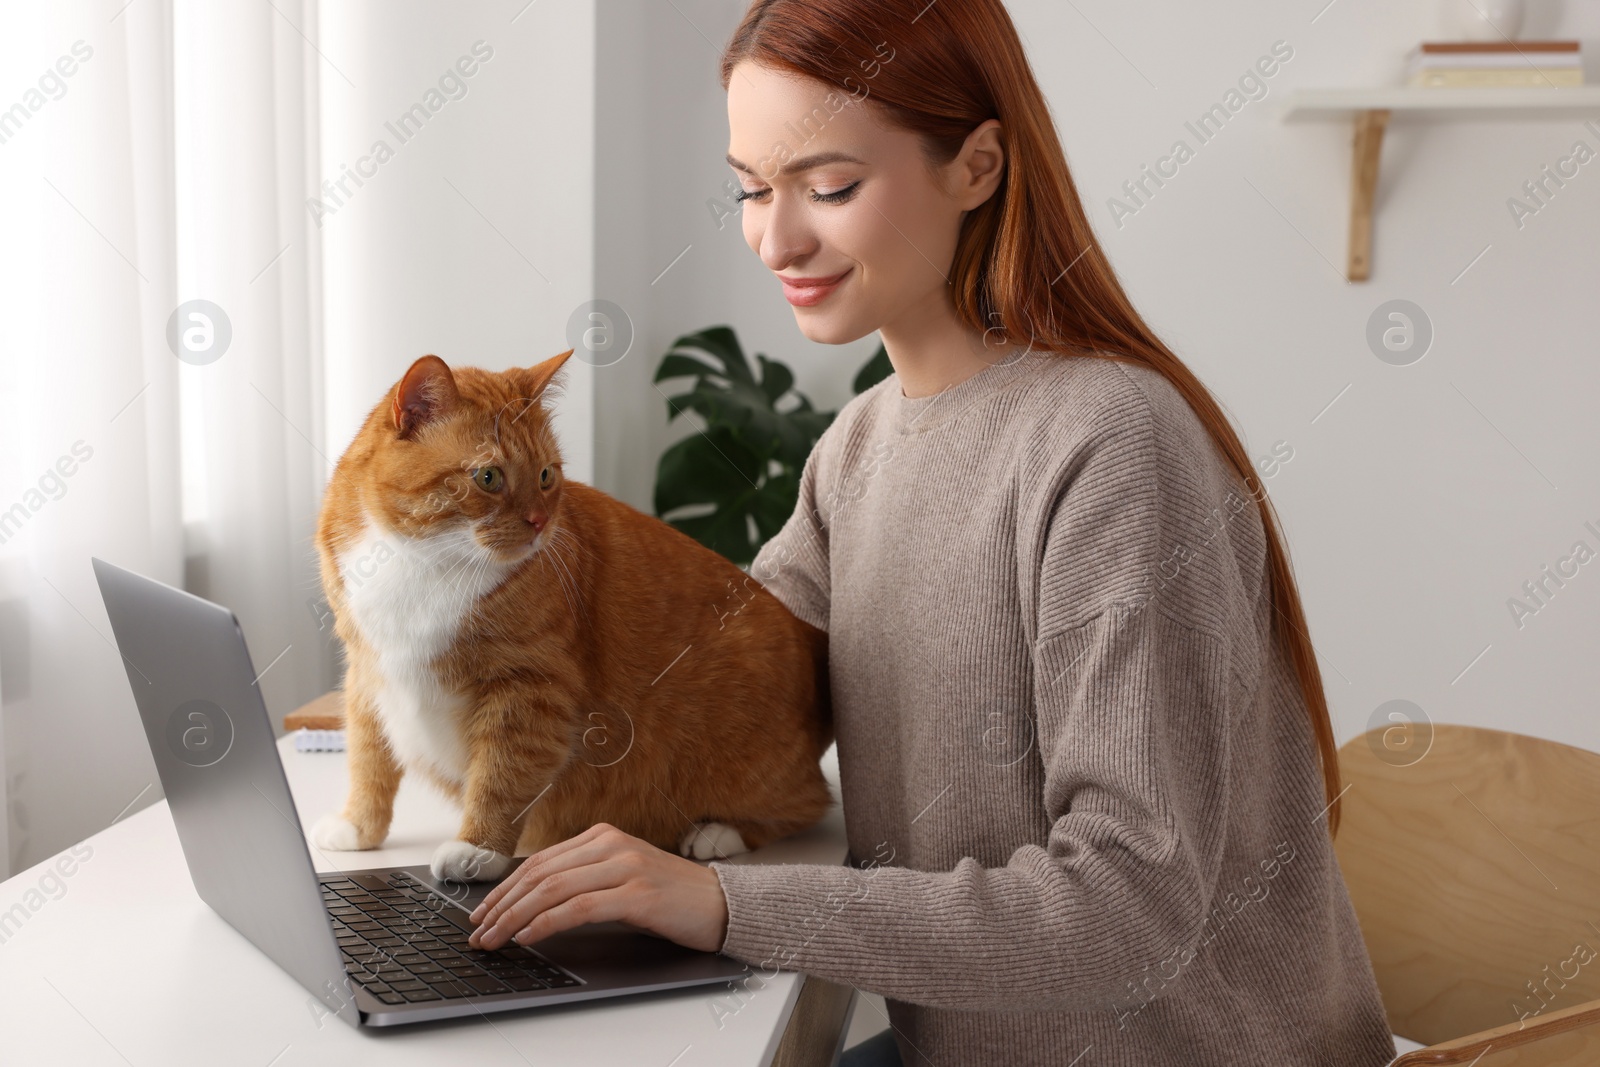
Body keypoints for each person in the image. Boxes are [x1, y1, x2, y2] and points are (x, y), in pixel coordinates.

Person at [466, 1, 1399, 1064]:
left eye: (829, 186)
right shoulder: (857, 448)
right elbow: (728, 685)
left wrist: (728, 904)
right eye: (750, 188)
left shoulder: (1111, 445)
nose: (777, 236)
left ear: (978, 165)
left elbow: (1128, 913)